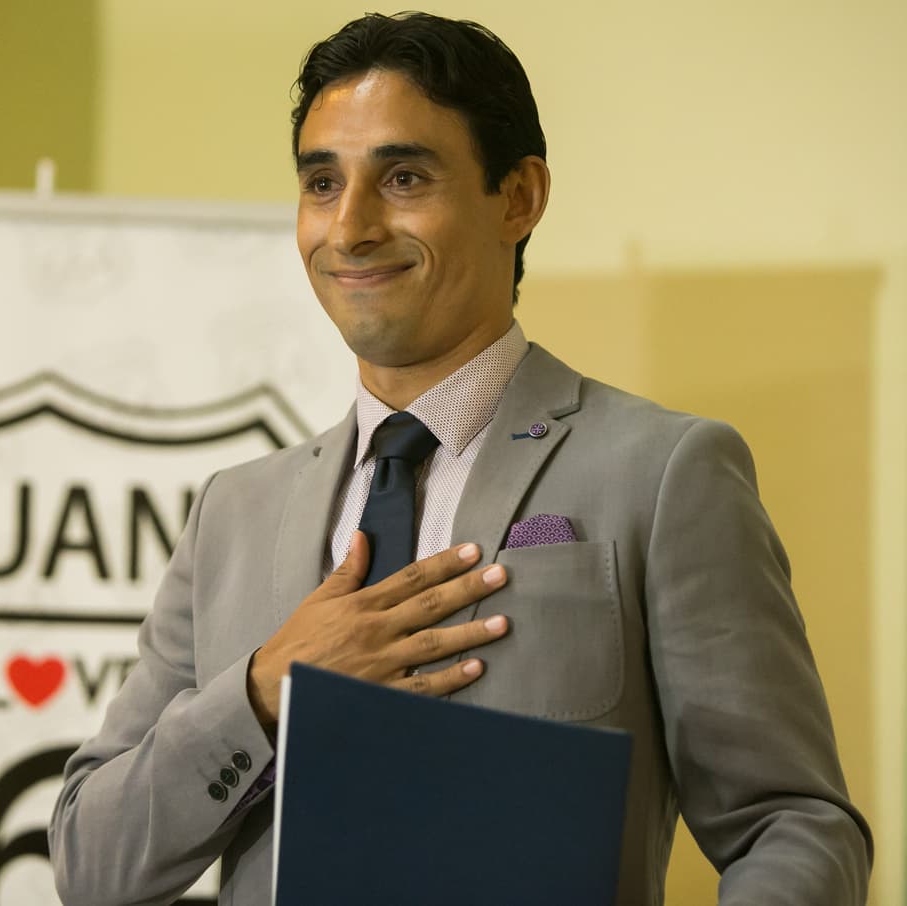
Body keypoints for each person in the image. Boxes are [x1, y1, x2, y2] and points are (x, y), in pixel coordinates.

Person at [48, 12, 872, 905]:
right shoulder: (233, 512)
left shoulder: (666, 473)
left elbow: (794, 824)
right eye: (322, 183)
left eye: (403, 177)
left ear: (518, 197)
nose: (350, 227)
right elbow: (93, 865)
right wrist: (262, 690)